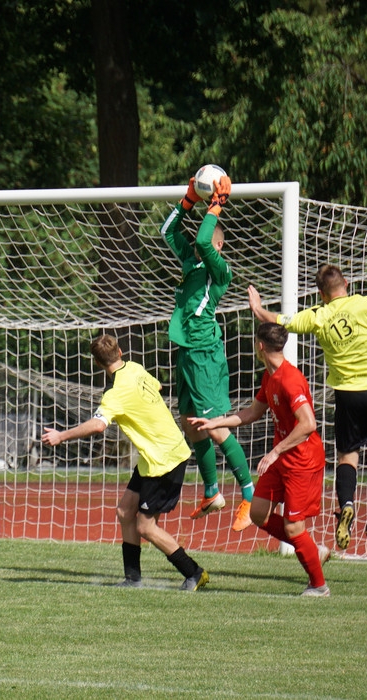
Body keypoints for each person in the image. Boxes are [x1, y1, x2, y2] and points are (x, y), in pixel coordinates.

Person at [249, 264, 367, 548]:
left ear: (321, 294)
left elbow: (282, 321)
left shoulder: (319, 316)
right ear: (346, 283)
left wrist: (258, 309)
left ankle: (346, 504)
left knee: (348, 455)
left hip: (348, 394)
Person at [42, 334, 208, 591]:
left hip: (165, 459)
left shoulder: (115, 393)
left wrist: (60, 436)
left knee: (145, 526)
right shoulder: (135, 368)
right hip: (154, 456)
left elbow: (98, 425)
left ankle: (194, 572)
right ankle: (132, 579)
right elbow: (158, 387)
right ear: (120, 352)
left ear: (97, 364)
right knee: (124, 511)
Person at [190, 323, 331, 595]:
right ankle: (313, 550)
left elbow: (308, 424)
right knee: (257, 513)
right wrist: (214, 423)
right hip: (282, 460)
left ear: (260, 346)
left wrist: (276, 451)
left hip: (302, 462)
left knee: (292, 527)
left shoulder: (290, 379)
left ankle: (319, 585)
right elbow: (251, 413)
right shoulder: (270, 376)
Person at [161, 174, 256, 531]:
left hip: (204, 354)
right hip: (186, 353)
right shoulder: (192, 262)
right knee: (191, 424)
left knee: (215, 427)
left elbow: (202, 237)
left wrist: (216, 204)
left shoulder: (219, 269)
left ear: (217, 246)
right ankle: (212, 491)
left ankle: (248, 492)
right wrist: (188, 200)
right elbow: (167, 232)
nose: (200, 244)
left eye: (208, 242)